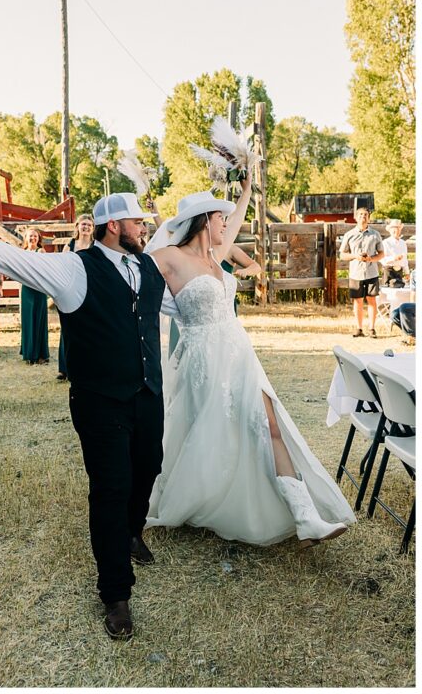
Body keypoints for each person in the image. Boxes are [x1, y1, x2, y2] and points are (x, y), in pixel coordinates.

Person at [0, 192, 169, 639]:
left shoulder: (148, 266)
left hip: (147, 393)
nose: (143, 228)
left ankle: (131, 531)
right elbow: (18, 260)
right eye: (137, 222)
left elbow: (168, 306)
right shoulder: (75, 268)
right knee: (110, 487)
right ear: (114, 225)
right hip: (99, 398)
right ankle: (115, 593)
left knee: (149, 468)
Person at [144, 187, 354, 552]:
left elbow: (239, 218)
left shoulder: (217, 256)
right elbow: (132, 274)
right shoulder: (170, 257)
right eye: (221, 219)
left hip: (240, 354)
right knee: (214, 433)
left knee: (270, 424)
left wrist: (246, 188)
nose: (227, 225)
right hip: (203, 358)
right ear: (204, 221)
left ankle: (306, 518)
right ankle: (201, 496)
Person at [57, 214, 94, 381]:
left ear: (93, 228)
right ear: (77, 227)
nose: (86, 227)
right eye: (83, 224)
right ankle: (64, 368)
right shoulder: (70, 245)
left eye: (89, 225)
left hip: (91, 289)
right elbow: (61, 267)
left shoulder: (96, 246)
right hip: (71, 288)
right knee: (68, 325)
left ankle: (87, 365)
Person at [339, 208, 384, 338]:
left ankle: (371, 329)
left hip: (371, 272)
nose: (363, 216)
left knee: (371, 300)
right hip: (355, 273)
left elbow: (381, 254)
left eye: (365, 215)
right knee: (357, 301)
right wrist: (355, 256)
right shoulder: (349, 235)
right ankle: (359, 329)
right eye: (360, 214)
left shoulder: (375, 234)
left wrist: (372, 259)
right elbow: (342, 255)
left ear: (369, 218)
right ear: (356, 217)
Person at [19, 228, 50, 365]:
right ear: (25, 238)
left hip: (38, 288)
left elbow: (45, 269)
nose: (33, 238)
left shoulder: (41, 251)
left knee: (38, 319)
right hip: (26, 289)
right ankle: (29, 353)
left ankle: (40, 354)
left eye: (35, 236)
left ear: (39, 238)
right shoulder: (22, 253)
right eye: (30, 236)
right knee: (28, 319)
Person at [380, 219, 409, 287]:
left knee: (399, 291)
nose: (396, 230)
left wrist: (407, 272)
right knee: (387, 292)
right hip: (389, 271)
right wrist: (394, 258)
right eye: (393, 228)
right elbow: (381, 259)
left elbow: (405, 260)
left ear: (400, 230)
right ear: (390, 230)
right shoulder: (385, 243)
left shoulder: (403, 243)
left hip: (399, 272)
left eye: (398, 228)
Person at [391, 268, 416, 339]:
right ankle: (414, 335)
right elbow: (413, 293)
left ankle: (412, 337)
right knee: (394, 315)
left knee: (404, 307)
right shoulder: (415, 273)